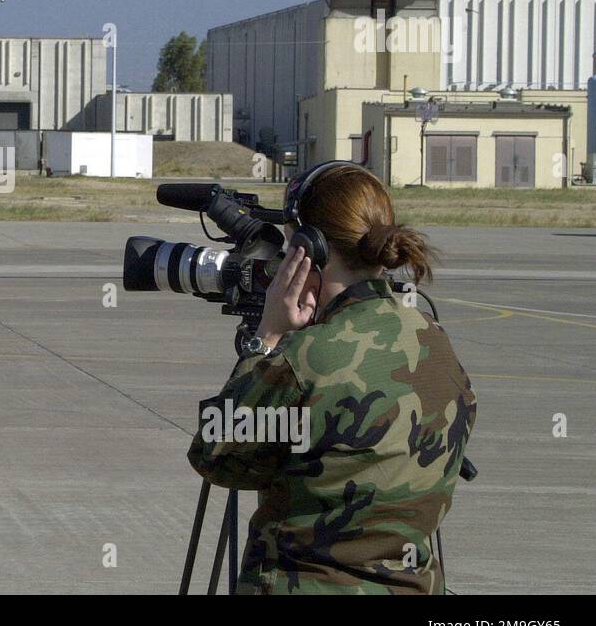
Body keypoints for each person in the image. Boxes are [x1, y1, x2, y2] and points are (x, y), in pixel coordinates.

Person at [188, 161, 476, 594]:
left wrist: (266, 339)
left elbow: (214, 457)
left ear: (309, 249)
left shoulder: (304, 359)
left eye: (289, 246)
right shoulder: (437, 343)